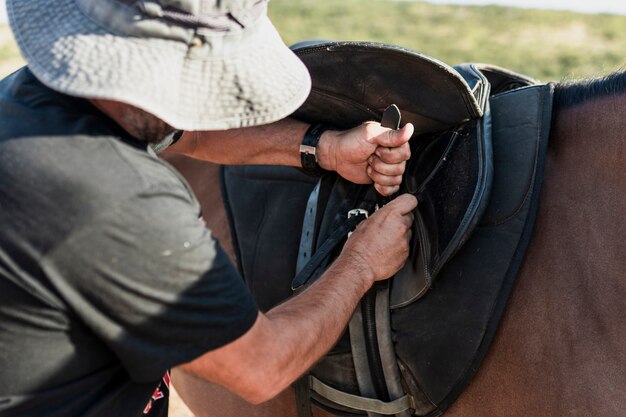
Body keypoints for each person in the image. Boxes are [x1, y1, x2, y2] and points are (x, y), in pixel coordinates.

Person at [0, 0, 416, 416]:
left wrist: (323, 148)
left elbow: (186, 135)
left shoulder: (31, 99)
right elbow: (262, 367)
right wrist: (361, 261)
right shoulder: (121, 199)